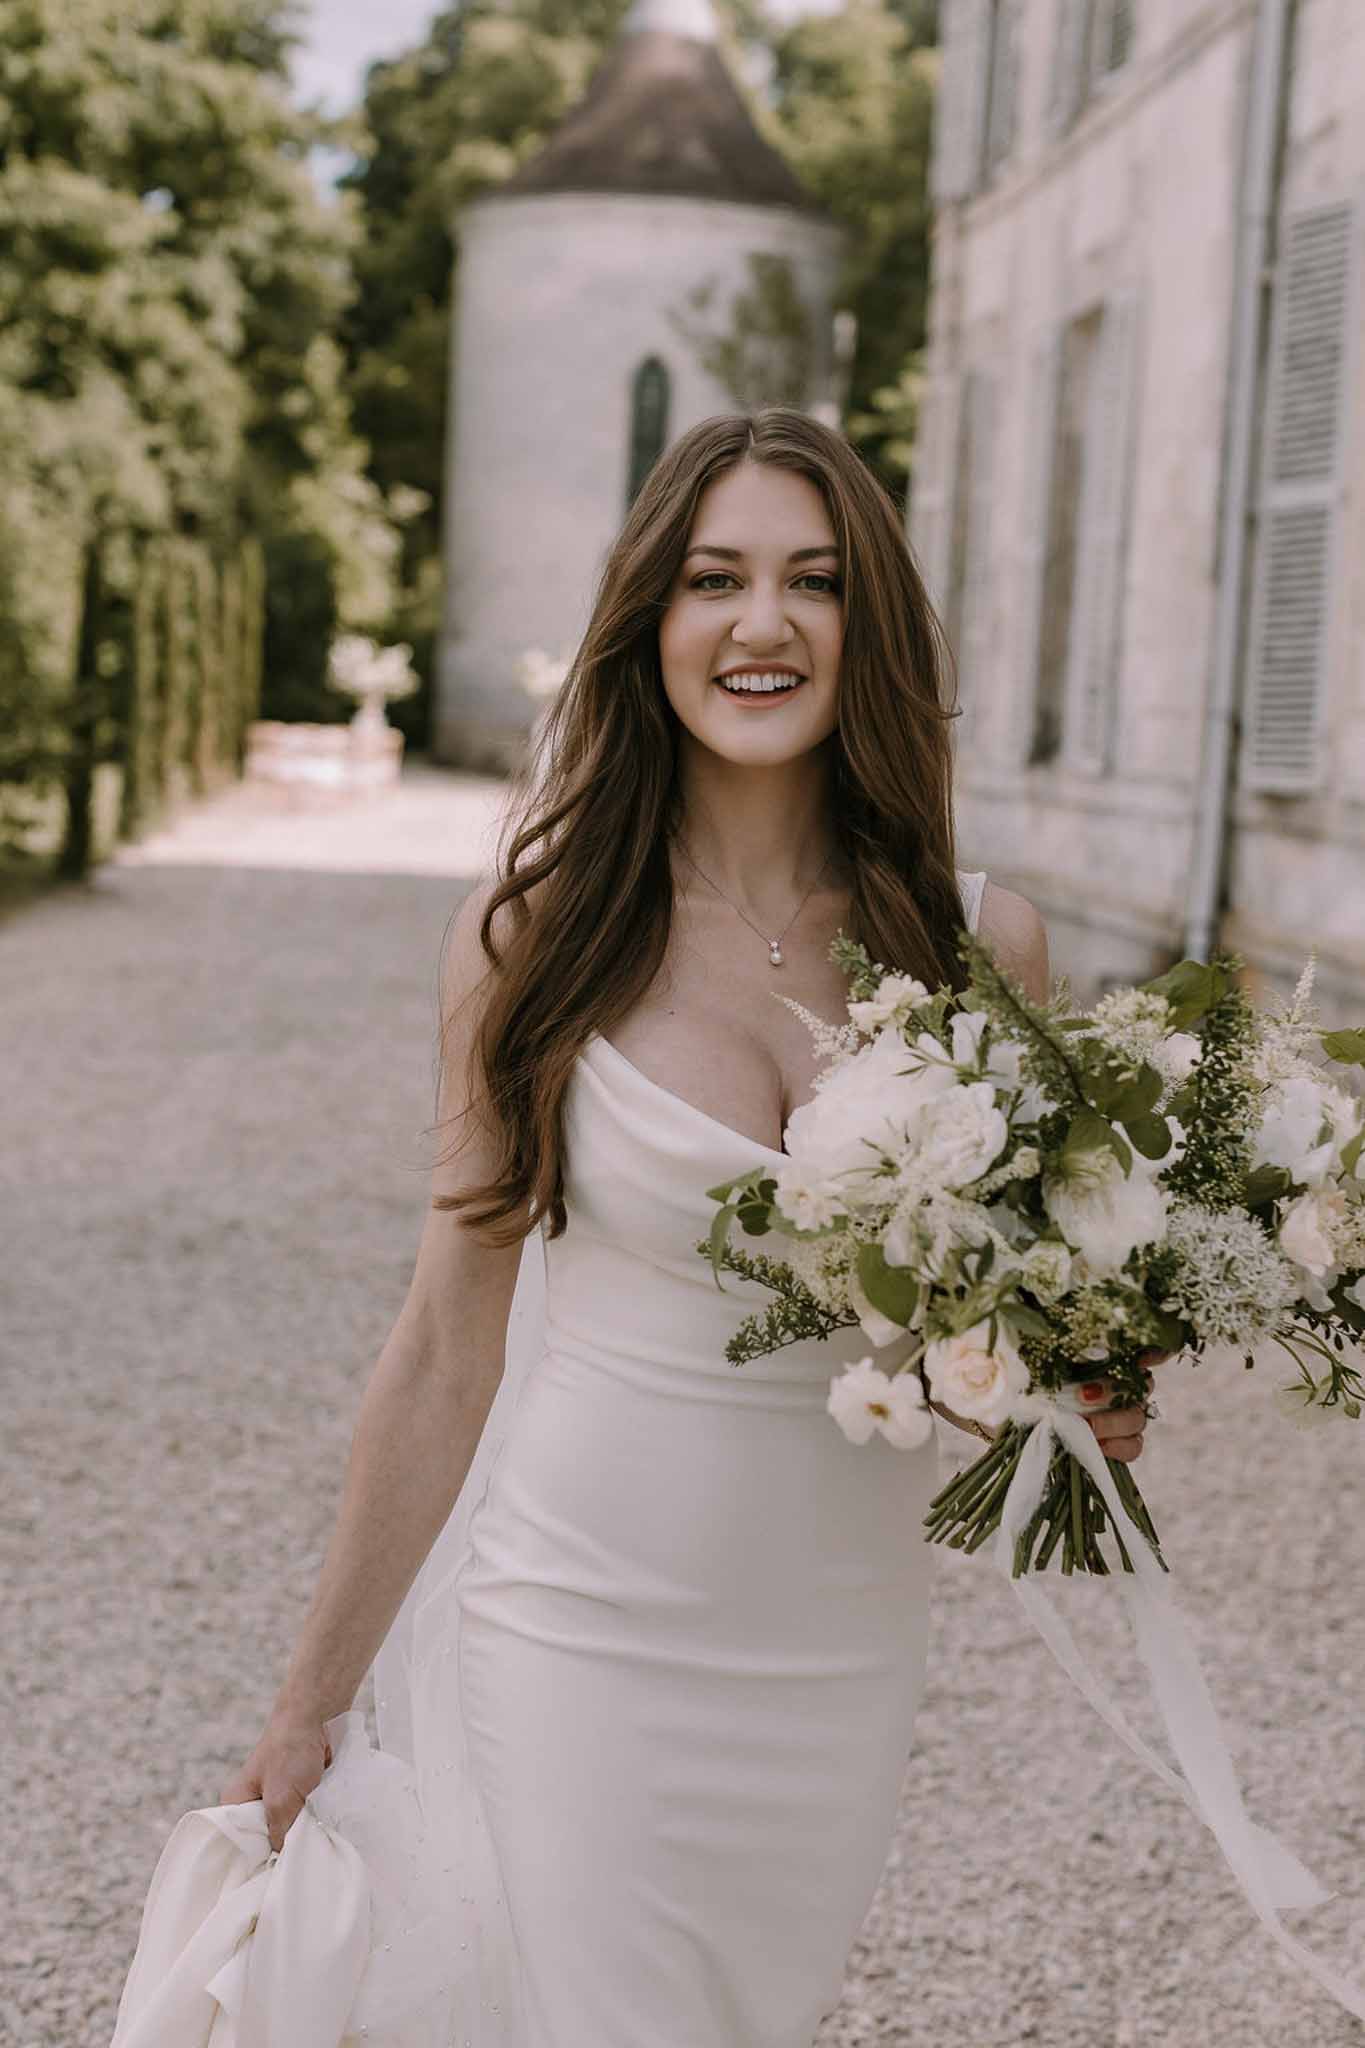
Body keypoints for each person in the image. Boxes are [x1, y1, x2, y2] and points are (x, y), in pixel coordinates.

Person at [218, 409, 1161, 2046]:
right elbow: (446, 1341)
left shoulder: (981, 943)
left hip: (829, 1654)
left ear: (867, 626)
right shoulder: (535, 933)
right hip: (573, 1622)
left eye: (812, 581)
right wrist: (311, 1703)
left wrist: (1081, 1392)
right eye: (712, 578)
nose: (760, 623)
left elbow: (1003, 1340)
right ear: (648, 620)